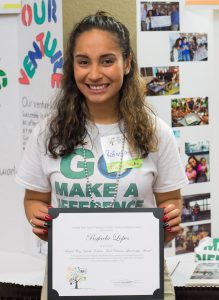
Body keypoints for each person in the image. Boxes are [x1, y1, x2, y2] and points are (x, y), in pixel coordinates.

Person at [15, 11, 188, 300]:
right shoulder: (47, 133)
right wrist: (41, 218)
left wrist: (168, 221)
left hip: (143, 278)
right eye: (83, 62)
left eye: (107, 60)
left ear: (127, 62)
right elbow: (35, 199)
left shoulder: (156, 133)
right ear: (73, 67)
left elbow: (170, 200)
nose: (94, 74)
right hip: (69, 278)